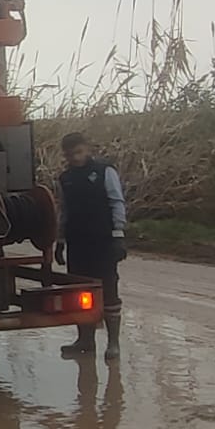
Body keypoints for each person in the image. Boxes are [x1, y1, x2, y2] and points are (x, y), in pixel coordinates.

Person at [55, 132, 127, 361]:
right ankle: (85, 340)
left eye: (78, 152)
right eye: (69, 155)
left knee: (108, 290)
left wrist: (118, 235)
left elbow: (116, 202)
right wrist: (60, 241)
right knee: (79, 291)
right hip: (77, 242)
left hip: (103, 240)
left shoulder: (106, 172)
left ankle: (113, 343)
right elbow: (64, 211)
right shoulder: (65, 178)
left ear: (87, 149)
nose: (74, 158)